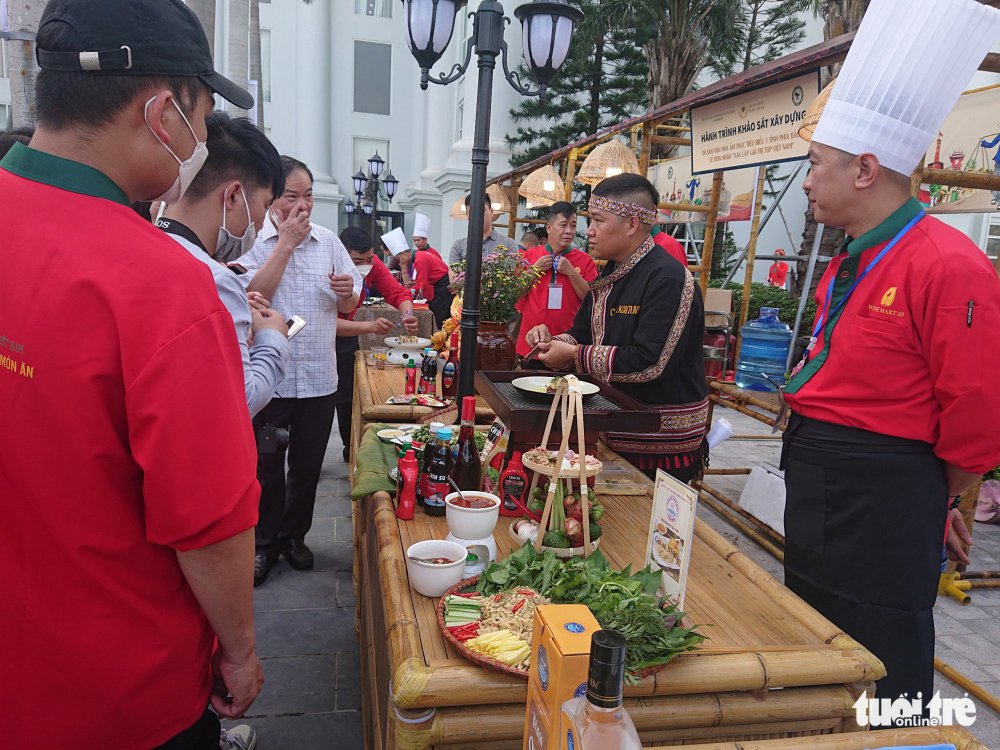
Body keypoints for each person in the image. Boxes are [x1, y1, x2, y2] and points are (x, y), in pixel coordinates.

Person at [0, 1, 264, 748]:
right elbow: (208, 525)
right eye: (202, 119)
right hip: (118, 694)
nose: (203, 143)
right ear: (160, 114)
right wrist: (239, 651)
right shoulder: (161, 285)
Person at [782, 0, 1000, 711]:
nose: (808, 182)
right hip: (821, 474)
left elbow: (975, 412)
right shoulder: (854, 257)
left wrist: (934, 496)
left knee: (882, 651)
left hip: (884, 491)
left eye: (816, 166)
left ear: (866, 169)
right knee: (809, 630)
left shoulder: (950, 264)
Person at [524, 174, 708, 483]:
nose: (589, 232)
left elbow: (650, 362)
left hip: (659, 441)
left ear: (632, 224)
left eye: (597, 221)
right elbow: (581, 332)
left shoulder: (666, 278)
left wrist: (573, 354)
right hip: (616, 424)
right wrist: (550, 341)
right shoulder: (612, 274)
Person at [237, 156, 362, 586]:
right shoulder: (253, 241)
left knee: (307, 466)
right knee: (267, 466)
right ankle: (264, 542)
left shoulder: (328, 241)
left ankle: (295, 536)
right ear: (273, 198)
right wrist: (285, 243)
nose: (302, 206)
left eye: (309, 196)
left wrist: (346, 293)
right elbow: (250, 296)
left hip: (319, 379)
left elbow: (348, 304)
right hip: (272, 381)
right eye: (292, 196)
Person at [158, 111, 290, 417]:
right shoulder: (215, 281)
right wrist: (273, 335)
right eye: (265, 206)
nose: (260, 221)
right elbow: (241, 400)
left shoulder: (137, 247)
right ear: (233, 196)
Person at [335, 225, 419, 461]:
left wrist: (408, 315)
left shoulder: (371, 265)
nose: (365, 265)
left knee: (348, 393)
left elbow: (398, 294)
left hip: (347, 334)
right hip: (316, 339)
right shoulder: (327, 265)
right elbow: (323, 323)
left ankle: (350, 445)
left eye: (370, 259)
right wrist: (368, 327)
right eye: (357, 260)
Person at [515, 201, 597, 360]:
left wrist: (572, 273)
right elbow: (515, 294)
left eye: (573, 226)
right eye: (563, 225)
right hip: (530, 344)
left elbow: (592, 300)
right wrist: (534, 271)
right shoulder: (529, 257)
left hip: (566, 347)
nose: (569, 231)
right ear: (549, 227)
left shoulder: (585, 261)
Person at [384, 226, 454, 327]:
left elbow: (422, 285)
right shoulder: (416, 257)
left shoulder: (419, 259)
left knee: (439, 318)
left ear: (403, 254)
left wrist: (403, 292)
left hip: (444, 287)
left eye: (398, 258)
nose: (399, 262)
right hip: (440, 286)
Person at [448, 191, 519, 281]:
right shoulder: (458, 246)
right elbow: (455, 280)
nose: (477, 215)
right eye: (471, 212)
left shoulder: (509, 245)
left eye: (481, 210)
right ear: (467, 216)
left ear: (491, 212)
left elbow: (510, 279)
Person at [980, 131, 1000, 206]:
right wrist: (983, 142)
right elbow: (992, 144)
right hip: (998, 162)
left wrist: (983, 143)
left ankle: (995, 198)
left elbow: (991, 144)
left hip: (998, 161)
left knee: (996, 180)